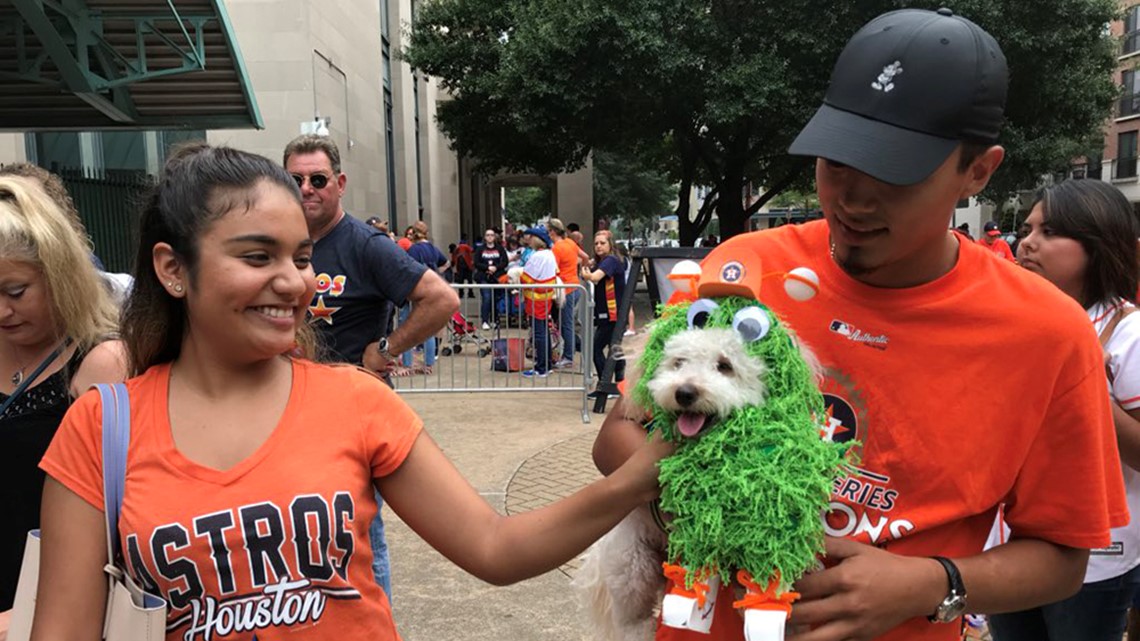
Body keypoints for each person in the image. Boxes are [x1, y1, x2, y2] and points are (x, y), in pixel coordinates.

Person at [591, 9, 1126, 641]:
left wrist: (935, 583)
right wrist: (707, 501)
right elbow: (616, 441)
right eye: (837, 162)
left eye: (896, 172)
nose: (854, 199)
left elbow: (1064, 556)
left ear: (977, 170)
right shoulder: (743, 270)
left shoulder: (1047, 333)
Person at [29, 143, 672, 641]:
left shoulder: (354, 402)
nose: (291, 282)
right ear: (173, 269)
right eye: (258, 257)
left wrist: (636, 478)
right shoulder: (101, 427)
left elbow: (495, 549)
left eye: (301, 258)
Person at [283, 134, 457, 602]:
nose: (305, 189)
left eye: (317, 179)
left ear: (338, 183)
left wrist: (386, 348)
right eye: (293, 179)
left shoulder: (364, 244)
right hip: (283, 412)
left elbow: (441, 298)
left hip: (350, 416)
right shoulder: (279, 241)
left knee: (358, 532)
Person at [986, 179, 1140, 641]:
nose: (1027, 243)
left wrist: (1081, 380)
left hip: (1094, 557)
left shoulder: (1127, 333)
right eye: (1028, 229)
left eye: (1050, 232)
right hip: (1004, 546)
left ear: (1097, 243)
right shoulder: (1011, 322)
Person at [0, 176, 127, 629]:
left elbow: (122, 519)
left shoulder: (103, 362)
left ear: (61, 275)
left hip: (56, 610)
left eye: (16, 292)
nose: (2, 311)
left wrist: (26, 613)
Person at [399, 221, 450, 375]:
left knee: (407, 328)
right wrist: (437, 274)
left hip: (416, 291)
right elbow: (446, 262)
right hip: (431, 290)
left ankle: (407, 364)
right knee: (428, 329)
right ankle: (428, 364)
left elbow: (408, 269)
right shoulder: (433, 249)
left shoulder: (414, 249)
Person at [579, 230, 626, 393]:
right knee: (615, 349)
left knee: (596, 349)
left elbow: (595, 278)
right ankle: (619, 384)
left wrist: (586, 273)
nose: (598, 246)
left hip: (612, 315)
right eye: (596, 243)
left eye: (602, 243)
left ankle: (605, 386)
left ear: (610, 245)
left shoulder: (610, 260)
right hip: (610, 314)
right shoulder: (606, 261)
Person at [548, 218, 586, 369]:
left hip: (565, 290)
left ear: (552, 232)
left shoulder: (556, 249)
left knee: (566, 324)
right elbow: (585, 257)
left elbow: (553, 269)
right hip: (575, 286)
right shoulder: (571, 243)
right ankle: (572, 350)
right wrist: (583, 272)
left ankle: (569, 356)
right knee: (567, 323)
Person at [521, 227, 558, 378]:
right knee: (544, 332)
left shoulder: (537, 256)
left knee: (539, 333)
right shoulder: (550, 254)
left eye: (530, 237)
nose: (528, 240)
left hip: (535, 299)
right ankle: (547, 364)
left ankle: (541, 367)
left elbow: (527, 277)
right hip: (546, 298)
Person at [474, 228, 509, 330]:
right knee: (486, 297)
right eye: (487, 235)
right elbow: (476, 263)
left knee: (495, 298)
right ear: (485, 237)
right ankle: (485, 320)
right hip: (484, 277)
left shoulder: (500, 249)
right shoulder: (480, 249)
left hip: (496, 277)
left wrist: (496, 268)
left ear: (494, 237)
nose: (490, 237)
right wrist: (487, 268)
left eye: (491, 235)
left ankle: (494, 319)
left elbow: (505, 262)